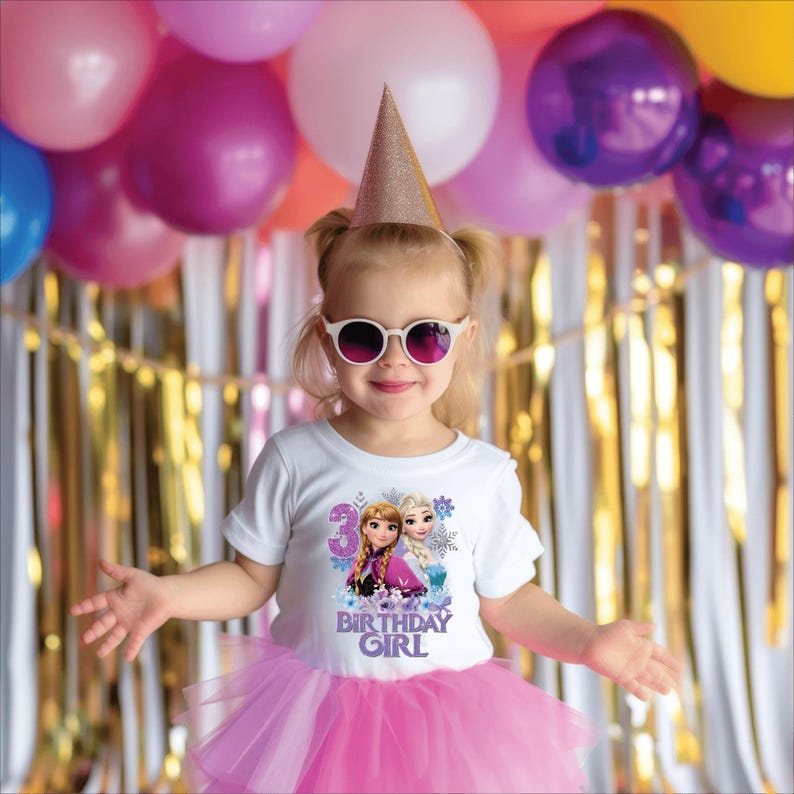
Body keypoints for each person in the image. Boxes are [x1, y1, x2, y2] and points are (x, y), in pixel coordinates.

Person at [70, 85, 681, 794]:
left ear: (462, 342)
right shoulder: (296, 458)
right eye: (365, 337)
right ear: (327, 342)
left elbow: (511, 600)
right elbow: (249, 578)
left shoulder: (483, 474)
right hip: (317, 720)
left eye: (425, 336)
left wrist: (586, 642)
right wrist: (171, 594)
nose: (396, 360)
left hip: (450, 729)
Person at [345, 501, 426, 597]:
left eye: (391, 528)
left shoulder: (397, 563)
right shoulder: (359, 561)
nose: (383, 533)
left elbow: (417, 597)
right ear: (364, 528)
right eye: (375, 525)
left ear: (397, 532)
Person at [398, 492, 447, 589]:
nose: (421, 527)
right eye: (411, 521)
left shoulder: (427, 552)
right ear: (403, 527)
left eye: (427, 519)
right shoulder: (410, 558)